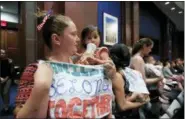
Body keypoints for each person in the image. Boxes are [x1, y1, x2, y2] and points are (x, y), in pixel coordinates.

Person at [14, 13, 116, 118]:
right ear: (56, 39)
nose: (78, 39)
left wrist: (110, 74)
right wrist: (42, 86)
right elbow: (18, 112)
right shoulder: (34, 70)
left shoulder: (82, 67)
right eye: (73, 34)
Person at [109, 44, 150, 118]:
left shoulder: (123, 71)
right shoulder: (117, 75)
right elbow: (122, 106)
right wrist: (141, 103)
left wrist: (134, 95)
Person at [130, 38, 163, 119]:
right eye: (150, 48)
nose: (150, 50)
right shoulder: (138, 59)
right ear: (145, 46)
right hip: (139, 94)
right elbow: (143, 81)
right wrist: (159, 78)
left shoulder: (136, 57)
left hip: (137, 93)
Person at [0, 49, 12, 115]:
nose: (2, 54)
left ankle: (6, 106)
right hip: (0, 79)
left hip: (8, 79)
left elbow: (10, 72)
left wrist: (5, 79)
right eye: (1, 53)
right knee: (2, 92)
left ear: (6, 54)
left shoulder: (9, 61)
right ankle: (5, 103)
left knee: (5, 92)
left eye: (3, 53)